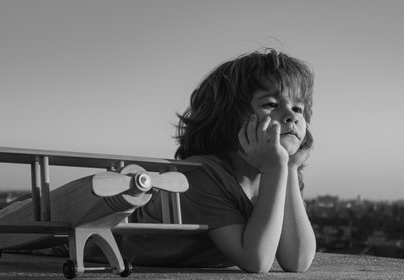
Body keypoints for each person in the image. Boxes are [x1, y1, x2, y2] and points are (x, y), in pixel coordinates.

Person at [121, 48, 316, 273]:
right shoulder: (202, 176)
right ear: (228, 119)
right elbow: (256, 261)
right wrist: (275, 167)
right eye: (271, 105)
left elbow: (297, 261)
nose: (291, 116)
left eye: (297, 108)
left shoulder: (281, 172)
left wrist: (289, 169)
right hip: (98, 247)